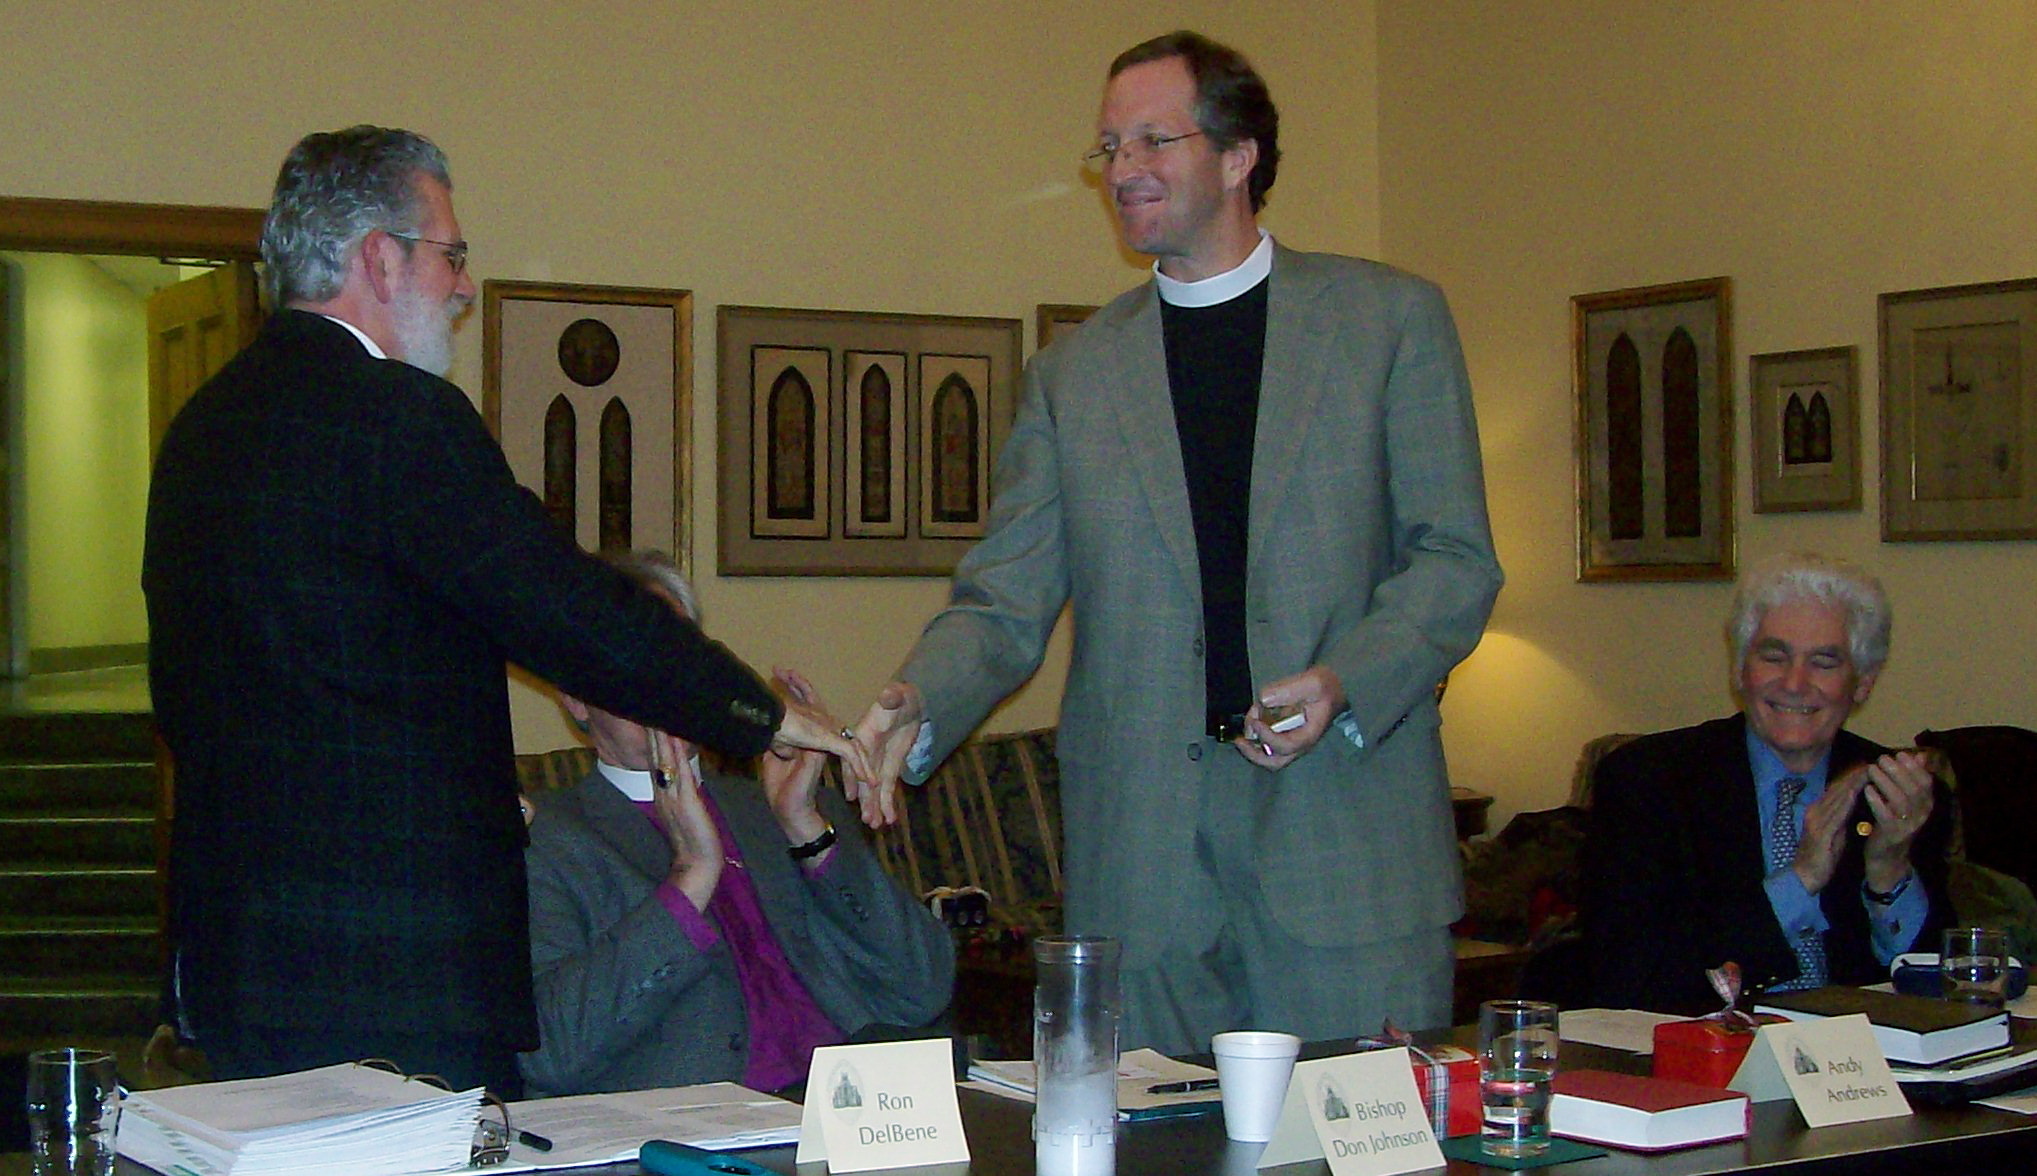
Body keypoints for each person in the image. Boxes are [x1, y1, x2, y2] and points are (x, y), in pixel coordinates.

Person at [144, 126, 863, 1094]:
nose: (465, 286)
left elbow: (184, 697)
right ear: (380, 257)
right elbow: (569, 610)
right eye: (452, 255)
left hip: (239, 965)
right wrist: (760, 712)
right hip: (397, 980)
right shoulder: (399, 417)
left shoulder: (200, 429)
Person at [852, 31, 1502, 1053]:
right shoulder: (1073, 376)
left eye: (1153, 140)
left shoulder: (1388, 322)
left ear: (1239, 156)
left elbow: (1455, 560)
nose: (1123, 170)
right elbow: (1003, 600)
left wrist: (1344, 680)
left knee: (1355, 1136)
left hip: (1346, 848)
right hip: (1144, 871)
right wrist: (919, 699)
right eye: (1109, 148)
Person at [518, 552, 954, 1096]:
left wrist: (806, 831)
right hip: (704, 1127)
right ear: (576, 697)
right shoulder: (546, 840)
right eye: (638, 661)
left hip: (855, 1106)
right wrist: (691, 878)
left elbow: (925, 989)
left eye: (683, 660)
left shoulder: (774, 805)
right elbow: (548, 1053)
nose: (666, 686)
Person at [1581, 552, 1952, 1015]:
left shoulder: (1895, 793)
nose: (1794, 683)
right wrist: (1800, 880)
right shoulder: (1649, 781)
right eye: (1774, 656)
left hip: (1862, 1052)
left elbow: (1945, 991)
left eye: (1824, 662)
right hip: (1707, 1048)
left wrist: (1889, 869)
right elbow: (1629, 980)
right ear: (1740, 670)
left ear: (1863, 683)